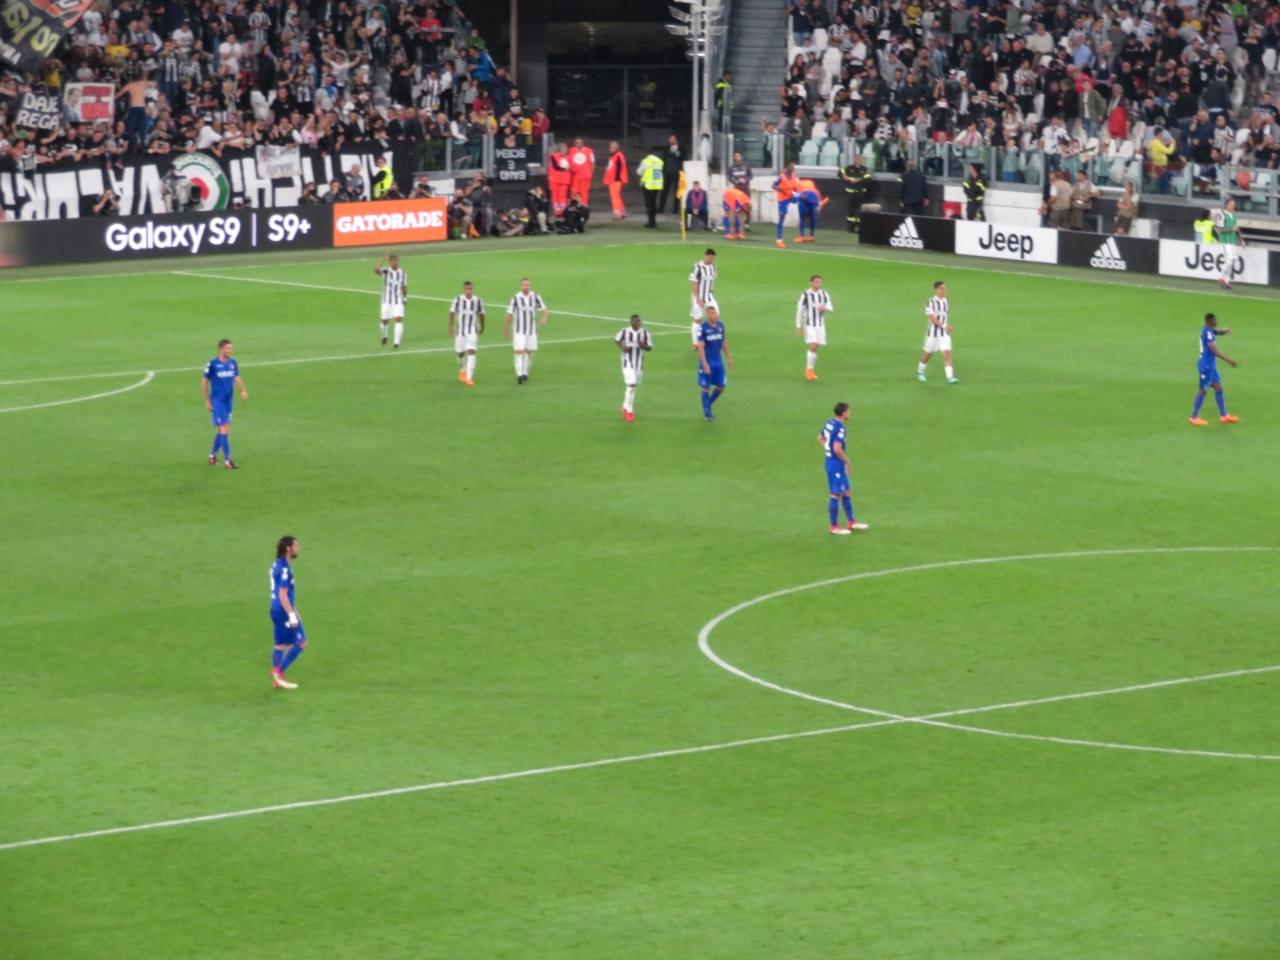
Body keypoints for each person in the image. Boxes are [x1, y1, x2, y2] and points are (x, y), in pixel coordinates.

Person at [819, 402, 868, 535]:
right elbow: (837, 448)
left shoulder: (829, 423)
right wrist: (848, 462)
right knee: (835, 494)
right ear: (844, 413)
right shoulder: (840, 428)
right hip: (835, 464)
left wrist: (827, 449)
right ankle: (834, 526)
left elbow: (820, 438)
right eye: (848, 411)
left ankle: (851, 521)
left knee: (846, 491)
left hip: (834, 462)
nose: (850, 413)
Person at [201, 338, 248, 469]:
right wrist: (207, 400)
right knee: (225, 429)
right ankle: (228, 460)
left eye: (231, 348)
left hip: (228, 401)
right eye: (228, 348)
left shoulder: (233, 363)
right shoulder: (213, 364)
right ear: (221, 349)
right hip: (217, 401)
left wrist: (243, 391)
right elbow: (204, 382)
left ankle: (212, 455)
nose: (231, 350)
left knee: (221, 431)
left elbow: (237, 378)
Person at [269, 535, 306, 690]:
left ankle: (277, 681)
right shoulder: (285, 569)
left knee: (281, 644)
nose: (298, 548)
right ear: (288, 549)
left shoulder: (276, 564)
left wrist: (294, 610)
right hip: (284, 611)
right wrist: (291, 615)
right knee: (301, 642)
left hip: (275, 609)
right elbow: (283, 594)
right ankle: (278, 671)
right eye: (296, 546)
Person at [1190, 313, 1239, 426]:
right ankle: (1194, 417)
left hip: (1211, 366)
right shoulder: (1207, 333)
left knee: (1218, 388)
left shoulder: (1208, 330)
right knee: (1203, 391)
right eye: (1214, 320)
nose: (1216, 321)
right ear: (1209, 321)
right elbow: (1215, 351)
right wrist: (1229, 360)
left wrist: (1224, 331)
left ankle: (1224, 416)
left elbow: (1217, 331)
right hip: (1206, 367)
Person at [504, 277, 548, 385]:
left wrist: (544, 318)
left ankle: (525, 373)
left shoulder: (535, 296)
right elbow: (509, 314)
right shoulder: (515, 298)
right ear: (520, 286)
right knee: (519, 350)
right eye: (524, 285)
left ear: (530, 286)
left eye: (528, 285)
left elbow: (544, 309)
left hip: (531, 330)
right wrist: (506, 328)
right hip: (519, 330)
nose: (526, 287)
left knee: (529, 351)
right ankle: (519, 374)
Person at [917, 281, 957, 384]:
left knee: (947, 353)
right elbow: (931, 317)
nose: (944, 290)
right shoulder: (930, 302)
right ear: (936, 290)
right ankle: (920, 372)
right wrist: (944, 326)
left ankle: (950, 377)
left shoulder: (946, 301)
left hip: (944, 334)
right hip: (932, 334)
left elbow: (945, 316)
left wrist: (946, 327)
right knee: (928, 354)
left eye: (945, 288)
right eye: (941, 288)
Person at [695, 310, 732, 422]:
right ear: (707, 315)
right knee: (706, 387)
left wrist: (728, 357)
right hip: (708, 362)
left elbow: (723, 342)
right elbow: (701, 347)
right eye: (712, 313)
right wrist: (704, 363)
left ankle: (708, 403)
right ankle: (707, 413)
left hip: (718, 362)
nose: (714, 315)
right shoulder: (703, 328)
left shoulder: (721, 325)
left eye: (715, 313)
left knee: (721, 386)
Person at [615, 313, 653, 422]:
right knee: (631, 384)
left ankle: (625, 405)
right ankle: (629, 411)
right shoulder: (624, 331)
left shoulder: (645, 333)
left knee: (633, 386)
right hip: (627, 362)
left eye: (639, 321)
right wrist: (623, 348)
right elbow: (616, 340)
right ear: (631, 322)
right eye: (636, 321)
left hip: (639, 362)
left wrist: (643, 345)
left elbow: (650, 347)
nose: (639, 323)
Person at [796, 274, 833, 381]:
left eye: (820, 282)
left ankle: (811, 371)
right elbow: (799, 311)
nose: (818, 284)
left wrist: (824, 307)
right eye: (816, 282)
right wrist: (798, 326)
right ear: (811, 283)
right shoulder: (805, 295)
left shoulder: (824, 293)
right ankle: (808, 371)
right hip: (809, 325)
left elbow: (831, 307)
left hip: (820, 325)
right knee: (813, 345)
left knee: (816, 347)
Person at [449, 281, 485, 386]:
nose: (468, 291)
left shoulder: (478, 300)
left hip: (472, 331)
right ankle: (462, 368)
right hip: (460, 331)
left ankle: (469, 377)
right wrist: (451, 328)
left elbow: (481, 314)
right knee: (460, 352)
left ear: (472, 289)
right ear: (463, 290)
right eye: (466, 289)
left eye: (470, 289)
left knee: (471, 351)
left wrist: (482, 327)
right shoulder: (458, 300)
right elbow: (451, 313)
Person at [374, 254, 407, 348]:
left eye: (396, 260)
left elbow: (404, 286)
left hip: (398, 300)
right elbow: (376, 270)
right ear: (389, 262)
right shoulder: (386, 271)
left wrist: (405, 298)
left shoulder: (402, 273)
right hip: (386, 301)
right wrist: (383, 259)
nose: (395, 262)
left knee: (398, 319)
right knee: (385, 321)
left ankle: (396, 342)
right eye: (392, 261)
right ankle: (384, 335)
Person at [688, 248, 718, 346]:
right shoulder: (697, 267)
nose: (712, 260)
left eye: (713, 258)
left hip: (709, 296)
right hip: (698, 297)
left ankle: (710, 337)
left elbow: (712, 281)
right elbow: (693, 284)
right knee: (698, 318)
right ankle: (695, 343)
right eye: (710, 258)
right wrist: (698, 298)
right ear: (705, 256)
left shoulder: (713, 266)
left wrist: (711, 293)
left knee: (715, 315)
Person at [1213, 198, 1244, 289]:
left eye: (1233, 205)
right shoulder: (1221, 215)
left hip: (1232, 241)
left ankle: (1226, 281)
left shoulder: (1233, 215)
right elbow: (1219, 230)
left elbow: (1236, 229)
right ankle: (1220, 277)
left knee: (1231, 261)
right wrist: (1231, 229)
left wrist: (1241, 240)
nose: (1233, 206)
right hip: (1225, 241)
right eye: (1231, 204)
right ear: (1226, 205)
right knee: (1229, 260)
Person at [839, 155, 871, 232]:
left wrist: (859, 179)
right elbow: (840, 172)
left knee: (860, 210)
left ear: (862, 160)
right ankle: (850, 228)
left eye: (860, 159)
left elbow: (868, 177)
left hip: (861, 193)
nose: (858, 160)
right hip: (851, 192)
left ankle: (859, 227)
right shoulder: (849, 168)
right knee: (850, 209)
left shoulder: (864, 169)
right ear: (854, 159)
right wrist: (844, 176)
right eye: (857, 159)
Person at [772, 162, 801, 248]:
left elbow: (796, 188)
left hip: (791, 197)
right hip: (783, 199)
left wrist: (795, 195)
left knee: (803, 198)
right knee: (782, 217)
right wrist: (782, 190)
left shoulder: (795, 176)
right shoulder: (781, 176)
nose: (793, 168)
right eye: (791, 166)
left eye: (793, 166)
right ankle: (779, 240)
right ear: (787, 167)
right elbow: (773, 185)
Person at [637, 148, 664, 227]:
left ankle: (651, 222)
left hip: (648, 185)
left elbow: (639, 172)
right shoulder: (660, 162)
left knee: (649, 204)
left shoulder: (646, 161)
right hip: (657, 185)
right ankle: (653, 221)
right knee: (653, 203)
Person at [603, 141, 628, 219]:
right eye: (610, 147)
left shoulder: (618, 155)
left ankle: (617, 214)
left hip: (615, 180)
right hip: (613, 180)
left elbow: (620, 168)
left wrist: (616, 178)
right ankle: (622, 212)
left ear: (617, 148)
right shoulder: (614, 155)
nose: (611, 148)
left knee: (615, 197)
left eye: (613, 147)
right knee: (617, 196)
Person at [660, 133, 684, 214]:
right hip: (667, 172)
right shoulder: (666, 148)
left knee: (676, 192)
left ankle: (675, 209)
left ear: (677, 140)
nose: (671, 140)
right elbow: (663, 159)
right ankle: (661, 208)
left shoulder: (681, 149)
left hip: (677, 173)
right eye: (670, 138)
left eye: (673, 139)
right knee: (664, 191)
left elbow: (683, 159)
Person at [793, 178, 823, 243]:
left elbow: (794, 196)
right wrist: (818, 206)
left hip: (804, 199)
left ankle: (802, 236)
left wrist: (798, 196)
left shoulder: (796, 184)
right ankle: (811, 236)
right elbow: (817, 193)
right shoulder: (810, 182)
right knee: (813, 218)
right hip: (813, 198)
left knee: (802, 218)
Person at [547, 142, 572, 216]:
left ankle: (563, 211)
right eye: (564, 148)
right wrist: (564, 168)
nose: (566, 150)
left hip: (565, 180)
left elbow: (572, 167)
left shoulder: (569, 157)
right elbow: (555, 167)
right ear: (560, 149)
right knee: (555, 195)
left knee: (562, 195)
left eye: (566, 148)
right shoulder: (553, 156)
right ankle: (557, 211)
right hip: (554, 179)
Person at [568, 137, 595, 206]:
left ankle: (584, 207)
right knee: (574, 192)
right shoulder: (571, 150)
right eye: (577, 143)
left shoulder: (589, 150)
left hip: (585, 176)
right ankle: (574, 206)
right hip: (575, 176)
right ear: (574, 144)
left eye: (580, 142)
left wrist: (591, 173)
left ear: (583, 143)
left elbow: (593, 162)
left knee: (584, 193)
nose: (579, 144)